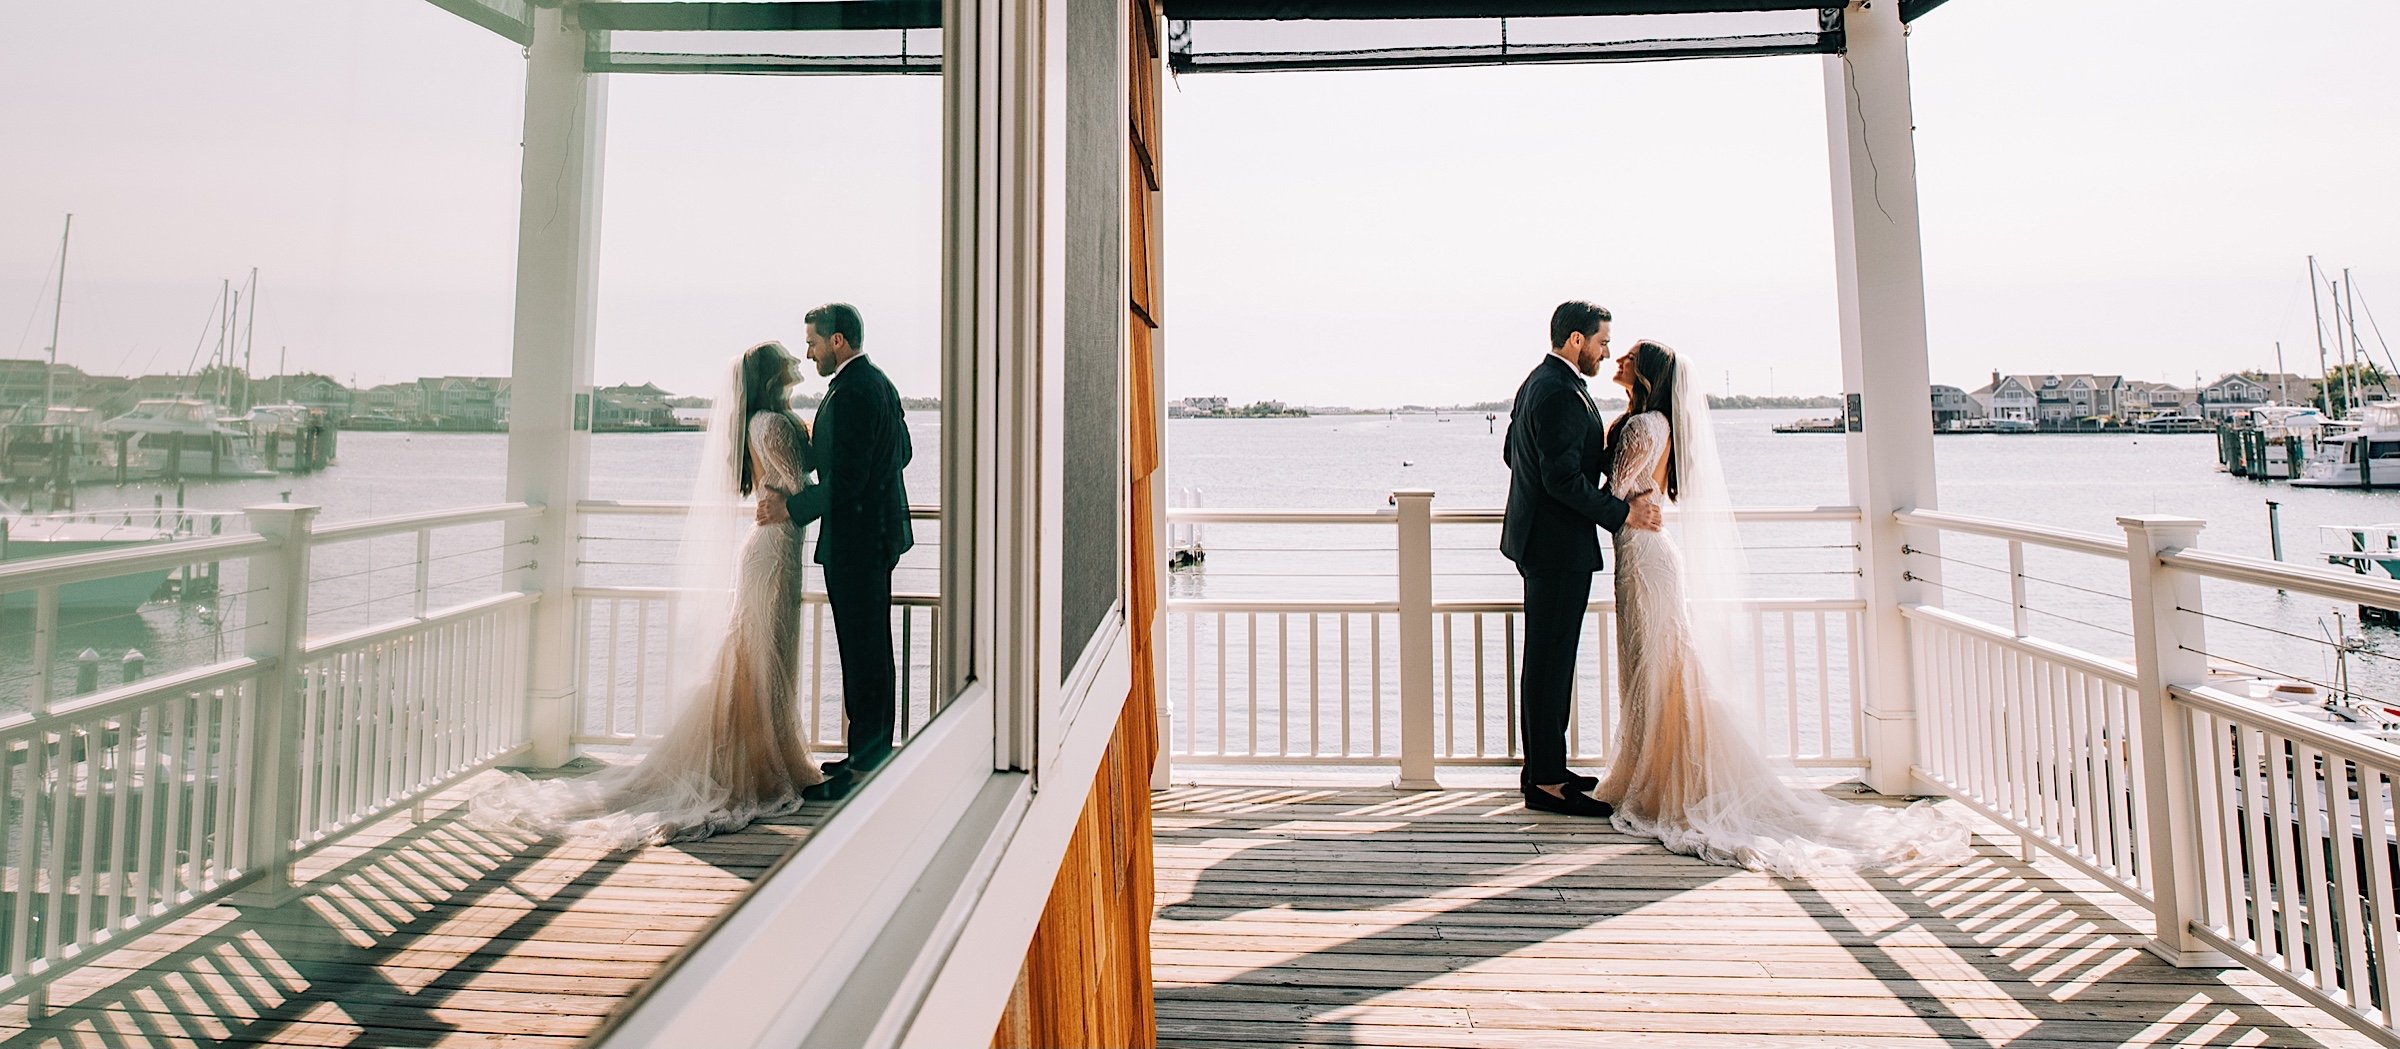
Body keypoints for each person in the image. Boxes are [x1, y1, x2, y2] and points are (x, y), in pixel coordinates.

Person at [1595, 338, 1969, 874]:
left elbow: (1624, 492)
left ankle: (1660, 781)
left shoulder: (1642, 427)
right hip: (1647, 557)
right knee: (1661, 667)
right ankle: (1651, 772)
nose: (1620, 360)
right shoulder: (1654, 424)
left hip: (1646, 558)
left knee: (1659, 667)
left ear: (1648, 373)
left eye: (1629, 355)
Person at [473, 341, 821, 847]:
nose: (795, 363)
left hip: (777, 550)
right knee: (758, 656)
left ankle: (767, 755)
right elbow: (793, 481)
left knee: (763, 655)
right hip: (772, 550)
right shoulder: (769, 423)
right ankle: (756, 764)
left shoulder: (771, 419)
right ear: (771, 375)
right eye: (787, 360)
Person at [1500, 301, 1663, 818]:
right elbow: (1562, 480)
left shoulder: (1539, 383)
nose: (1606, 351)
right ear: (1576, 340)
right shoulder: (1560, 393)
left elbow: (1513, 452)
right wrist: (1623, 513)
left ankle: (1548, 767)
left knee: (1550, 663)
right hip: (1554, 548)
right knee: (1550, 666)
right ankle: (1546, 782)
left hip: (1543, 542)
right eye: (1601, 342)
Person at [758, 303, 913, 799]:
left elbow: (844, 482)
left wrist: (791, 508)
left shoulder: (849, 394)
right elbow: (902, 451)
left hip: (858, 540)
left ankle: (864, 772)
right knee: (870, 650)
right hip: (878, 536)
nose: (809, 352)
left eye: (814, 343)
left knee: (863, 652)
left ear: (838, 341)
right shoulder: (879, 383)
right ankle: (868, 755)